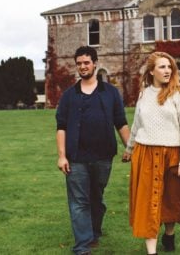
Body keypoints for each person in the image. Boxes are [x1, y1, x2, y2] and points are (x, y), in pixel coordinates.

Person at [56, 45, 130, 255]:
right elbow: (61, 126)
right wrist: (62, 156)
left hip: (103, 156)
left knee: (96, 199)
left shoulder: (110, 93)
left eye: (86, 62)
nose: (83, 67)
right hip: (76, 157)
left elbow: (121, 122)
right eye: (79, 63)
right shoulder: (69, 96)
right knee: (79, 201)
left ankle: (94, 233)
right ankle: (82, 247)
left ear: (95, 63)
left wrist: (131, 148)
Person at [122, 51, 180, 255]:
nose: (167, 70)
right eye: (162, 67)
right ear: (152, 71)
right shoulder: (144, 94)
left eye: (169, 67)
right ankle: (152, 251)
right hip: (145, 153)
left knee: (170, 199)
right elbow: (137, 124)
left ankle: (169, 234)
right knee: (148, 202)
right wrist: (129, 149)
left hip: (172, 155)